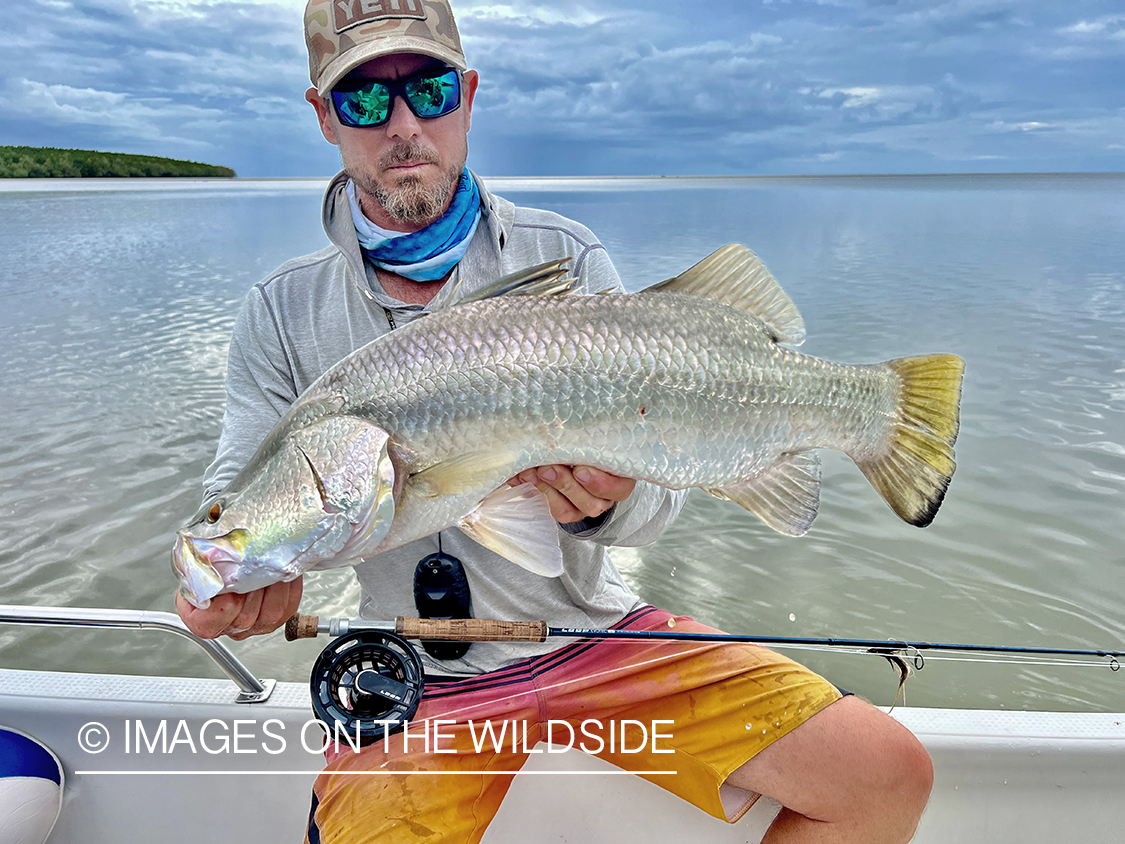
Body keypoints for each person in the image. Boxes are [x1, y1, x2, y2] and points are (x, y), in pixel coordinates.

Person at [176, 1, 933, 842]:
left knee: (885, 777)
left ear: (465, 96)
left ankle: (873, 409)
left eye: (427, 90)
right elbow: (242, 485)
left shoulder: (564, 256)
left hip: (596, 637)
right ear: (323, 117)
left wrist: (608, 503)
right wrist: (243, 571)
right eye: (362, 100)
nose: (402, 125)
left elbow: (655, 510)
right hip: (417, 672)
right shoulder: (280, 312)